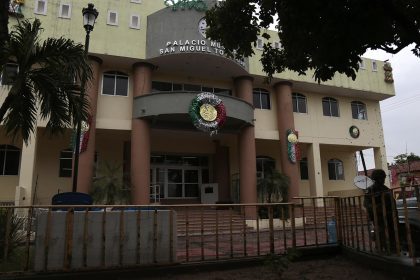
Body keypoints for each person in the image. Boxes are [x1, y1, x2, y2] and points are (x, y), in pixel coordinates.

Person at [364, 169, 397, 253]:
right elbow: (367, 204)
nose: (383, 180)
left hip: (390, 216)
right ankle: (380, 250)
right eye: (381, 178)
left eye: (384, 178)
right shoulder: (370, 190)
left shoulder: (386, 189)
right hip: (379, 218)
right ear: (376, 178)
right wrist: (378, 208)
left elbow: (392, 202)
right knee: (381, 235)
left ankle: (391, 249)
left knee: (392, 235)